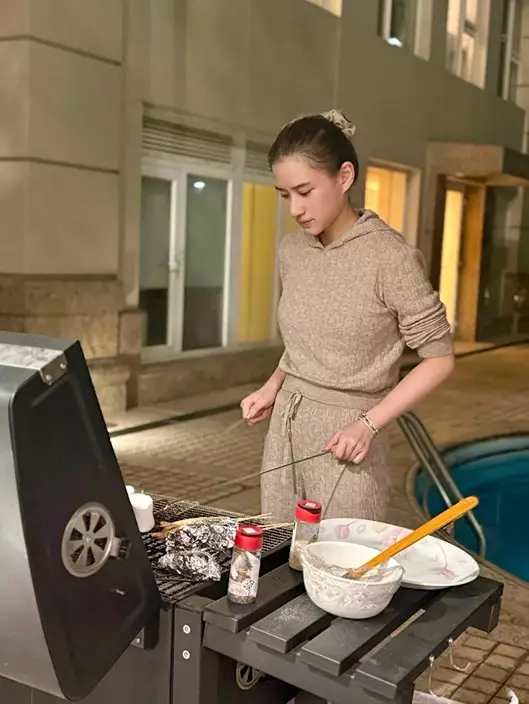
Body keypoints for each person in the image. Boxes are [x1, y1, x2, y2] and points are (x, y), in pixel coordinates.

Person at [240, 109, 455, 523]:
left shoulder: (390, 257)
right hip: (285, 427)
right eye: (284, 195)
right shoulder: (293, 250)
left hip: (349, 439)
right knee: (279, 549)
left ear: (344, 176)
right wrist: (271, 387)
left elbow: (440, 359)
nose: (295, 208)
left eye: (305, 191)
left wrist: (369, 425)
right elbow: (306, 340)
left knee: (343, 556)